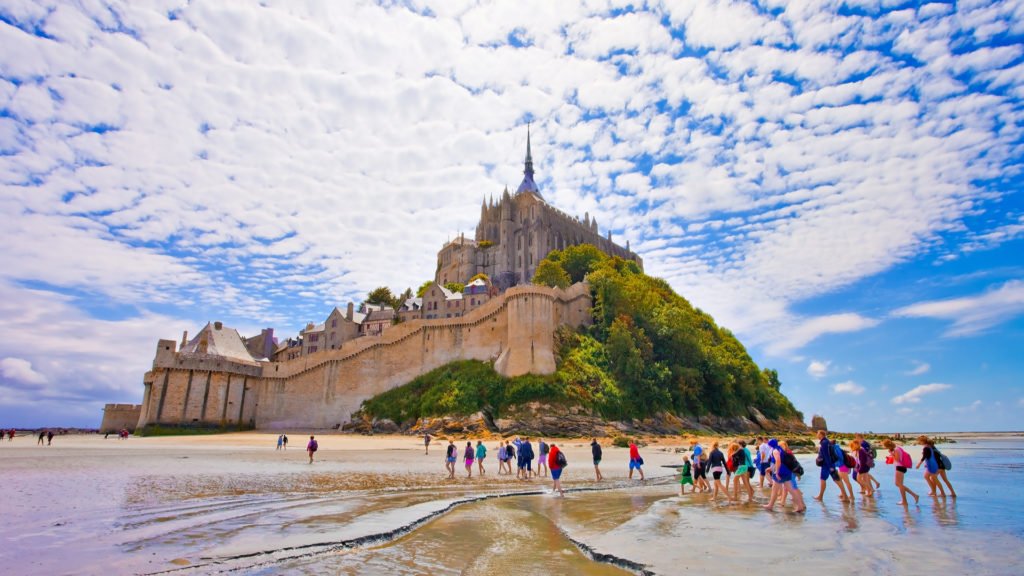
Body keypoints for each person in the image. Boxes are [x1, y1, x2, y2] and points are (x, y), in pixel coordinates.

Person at [764, 438, 805, 513]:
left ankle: (770, 505)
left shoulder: (775, 450)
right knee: (791, 490)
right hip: (786, 471)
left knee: (775, 489)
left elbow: (778, 461)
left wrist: (777, 472)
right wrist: (771, 468)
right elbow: (780, 461)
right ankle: (800, 506)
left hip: (781, 472)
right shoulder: (779, 448)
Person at [814, 430, 849, 502]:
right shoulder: (826, 442)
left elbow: (827, 455)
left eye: (817, 434)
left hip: (827, 465)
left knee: (833, 479)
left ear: (821, 435)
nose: (817, 435)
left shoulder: (824, 443)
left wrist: (830, 467)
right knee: (835, 479)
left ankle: (845, 496)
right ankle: (820, 496)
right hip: (828, 465)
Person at [882, 438, 919, 505]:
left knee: (899, 484)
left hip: (900, 467)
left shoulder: (896, 449)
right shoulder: (897, 448)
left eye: (885, 446)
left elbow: (897, 459)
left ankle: (906, 500)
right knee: (898, 484)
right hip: (900, 467)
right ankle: (913, 496)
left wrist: (891, 454)